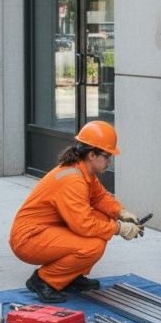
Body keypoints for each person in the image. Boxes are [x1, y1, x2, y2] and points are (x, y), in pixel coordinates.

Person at [9, 120, 144, 303]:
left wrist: (121, 213)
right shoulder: (73, 180)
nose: (109, 161)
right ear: (91, 155)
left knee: (102, 219)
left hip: (42, 230)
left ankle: (70, 276)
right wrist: (119, 228)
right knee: (92, 246)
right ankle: (43, 281)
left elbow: (99, 198)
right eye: (106, 156)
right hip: (28, 239)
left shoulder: (83, 171)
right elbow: (84, 225)